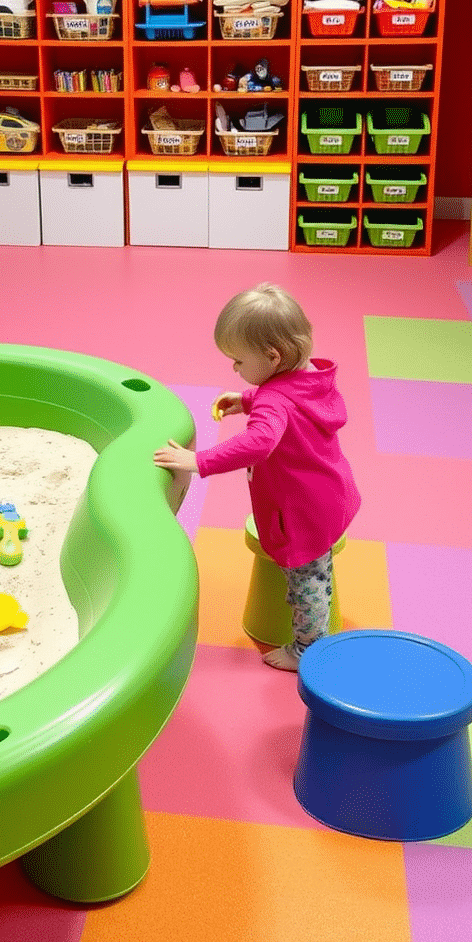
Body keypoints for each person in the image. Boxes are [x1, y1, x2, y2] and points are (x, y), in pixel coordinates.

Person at [154, 283, 360, 672]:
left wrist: (198, 461)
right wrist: (247, 399)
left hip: (303, 511)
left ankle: (307, 649)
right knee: (317, 567)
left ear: (272, 356)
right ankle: (318, 605)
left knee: (306, 582)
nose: (234, 368)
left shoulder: (273, 399)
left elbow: (259, 442)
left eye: (238, 361)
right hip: (330, 491)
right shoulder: (314, 376)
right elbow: (289, 396)